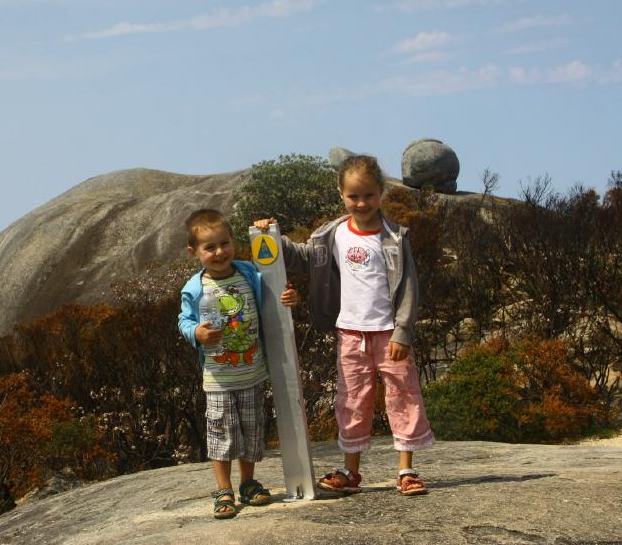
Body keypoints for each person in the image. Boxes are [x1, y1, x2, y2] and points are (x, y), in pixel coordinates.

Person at [254, 154, 434, 496]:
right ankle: (351, 473)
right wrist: (272, 235)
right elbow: (304, 258)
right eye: (353, 196)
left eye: (368, 194)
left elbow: (409, 286)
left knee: (403, 396)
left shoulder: (394, 238)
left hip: (388, 334)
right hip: (350, 333)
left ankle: (406, 471)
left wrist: (403, 331)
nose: (361, 202)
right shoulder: (333, 235)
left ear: (381, 192)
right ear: (341, 194)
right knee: (351, 400)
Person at [178, 208, 299, 519]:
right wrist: (197, 333)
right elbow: (184, 321)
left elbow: (275, 288)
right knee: (220, 433)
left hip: (252, 372)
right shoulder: (195, 288)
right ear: (194, 251)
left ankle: (247, 482)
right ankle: (223, 489)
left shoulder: (247, 273)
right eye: (210, 247)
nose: (220, 252)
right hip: (218, 378)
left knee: (251, 430)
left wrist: (265, 231)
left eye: (224, 243)